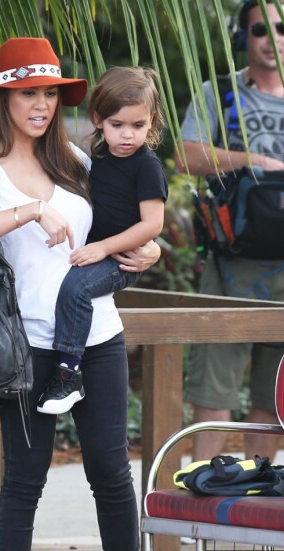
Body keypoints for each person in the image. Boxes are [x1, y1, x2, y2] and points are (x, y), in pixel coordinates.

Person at [0, 37, 160, 551]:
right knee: (24, 480)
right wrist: (29, 211)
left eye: (48, 93)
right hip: (28, 346)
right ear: (2, 99)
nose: (40, 105)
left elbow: (134, 225)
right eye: (27, 93)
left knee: (111, 476)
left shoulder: (77, 157)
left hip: (99, 337)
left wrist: (149, 252)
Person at [174, 0, 284, 464]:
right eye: (259, 30)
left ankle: (257, 500)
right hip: (231, 266)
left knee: (274, 399)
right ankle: (202, 497)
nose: (272, 40)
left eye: (282, 29)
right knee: (213, 389)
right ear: (242, 37)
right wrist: (251, 160)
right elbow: (185, 157)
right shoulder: (221, 93)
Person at [36, 66, 167, 415]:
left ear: (151, 122)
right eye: (117, 125)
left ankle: (68, 373)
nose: (128, 135)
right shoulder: (97, 156)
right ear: (98, 120)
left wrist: (104, 248)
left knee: (76, 289)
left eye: (138, 126)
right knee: (70, 283)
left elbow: (153, 224)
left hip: (120, 257)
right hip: (100, 249)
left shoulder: (147, 166)